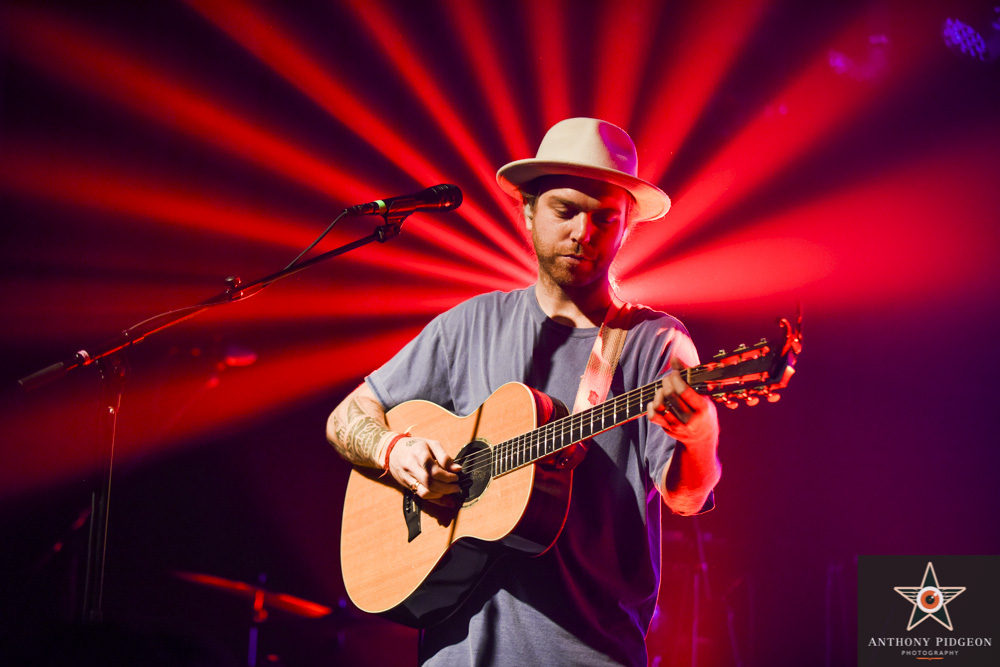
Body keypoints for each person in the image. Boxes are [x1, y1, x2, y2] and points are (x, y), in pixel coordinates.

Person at [327, 117, 721, 666]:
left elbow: (686, 496)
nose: (584, 233)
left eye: (605, 218)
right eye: (565, 210)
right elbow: (347, 416)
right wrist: (394, 451)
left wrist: (700, 435)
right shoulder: (469, 324)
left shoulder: (656, 343)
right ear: (529, 212)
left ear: (626, 227)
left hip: (588, 654)